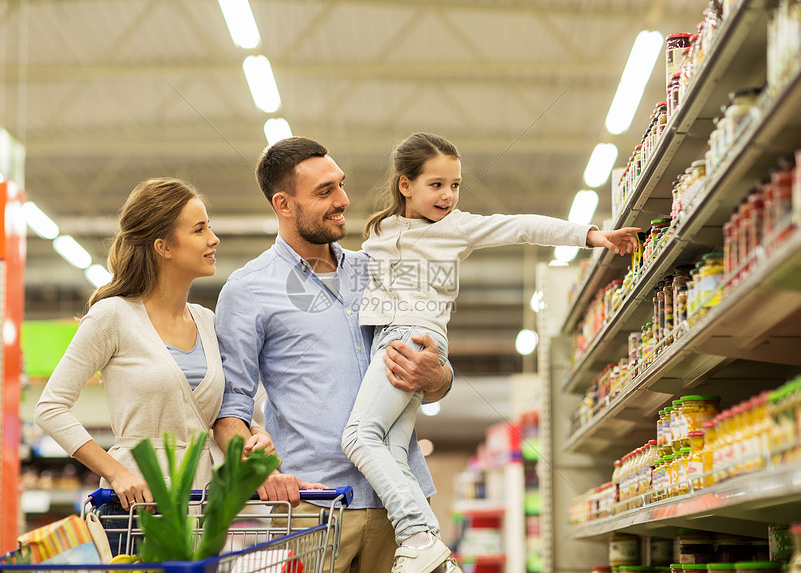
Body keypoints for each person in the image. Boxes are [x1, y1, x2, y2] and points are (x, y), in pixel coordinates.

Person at [340, 132, 641, 573]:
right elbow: (348, 269)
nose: (448, 195)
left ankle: (415, 537)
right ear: (405, 185)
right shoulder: (382, 230)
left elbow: (522, 225)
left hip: (411, 337)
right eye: (436, 184)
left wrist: (592, 235)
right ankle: (435, 557)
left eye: (455, 184)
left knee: (358, 437)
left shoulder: (456, 227)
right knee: (393, 448)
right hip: (389, 335)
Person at [215, 137, 458, 573]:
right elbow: (230, 410)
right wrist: (254, 466)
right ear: (284, 204)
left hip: (402, 510)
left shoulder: (379, 269)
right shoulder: (248, 289)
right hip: (313, 508)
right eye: (325, 192)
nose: (343, 200)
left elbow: (432, 374)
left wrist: (437, 376)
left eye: (340, 185)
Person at [34, 177, 274, 520]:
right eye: (199, 229)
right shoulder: (113, 315)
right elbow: (50, 408)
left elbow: (222, 412)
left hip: (202, 502)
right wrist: (116, 472)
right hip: (136, 505)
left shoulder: (208, 321)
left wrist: (255, 434)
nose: (214, 238)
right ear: (164, 247)